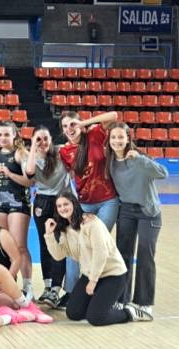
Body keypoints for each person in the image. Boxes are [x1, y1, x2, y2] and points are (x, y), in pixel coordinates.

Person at [44, 191, 152, 325]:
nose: (63, 208)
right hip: (90, 274)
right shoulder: (65, 228)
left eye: (66, 204)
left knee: (96, 318)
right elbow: (58, 255)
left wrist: (93, 281)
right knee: (73, 313)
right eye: (59, 206)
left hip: (112, 274)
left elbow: (101, 253)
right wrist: (49, 235)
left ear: (74, 204)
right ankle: (99, 305)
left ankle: (130, 313)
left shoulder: (91, 223)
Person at [106, 122, 167, 316]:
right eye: (113, 137)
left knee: (145, 255)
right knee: (122, 255)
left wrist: (141, 160)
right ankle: (121, 299)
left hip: (148, 212)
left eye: (120, 137)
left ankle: (144, 302)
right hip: (126, 211)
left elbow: (163, 173)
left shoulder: (140, 159)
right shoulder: (110, 162)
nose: (117, 141)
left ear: (128, 139)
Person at [59, 111, 120, 296]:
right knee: (75, 246)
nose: (69, 129)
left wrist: (85, 123)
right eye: (65, 126)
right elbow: (68, 176)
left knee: (96, 244)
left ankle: (95, 289)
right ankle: (71, 293)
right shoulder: (64, 151)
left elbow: (113, 115)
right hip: (84, 204)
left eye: (72, 124)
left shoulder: (95, 134)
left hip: (108, 201)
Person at [23, 127, 70, 307]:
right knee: (45, 243)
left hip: (62, 201)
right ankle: (47, 286)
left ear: (51, 139)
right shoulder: (31, 157)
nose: (42, 142)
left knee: (60, 242)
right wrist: (33, 148)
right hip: (42, 201)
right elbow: (29, 173)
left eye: (45, 138)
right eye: (38, 139)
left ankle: (56, 289)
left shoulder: (61, 152)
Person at [0, 122, 34, 298]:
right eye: (0, 134)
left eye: (7, 134)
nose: (2, 138)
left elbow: (29, 181)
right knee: (4, 247)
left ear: (15, 135)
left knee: (19, 247)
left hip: (18, 203)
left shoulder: (20, 153)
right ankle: (9, 285)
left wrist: (10, 174)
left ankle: (28, 287)